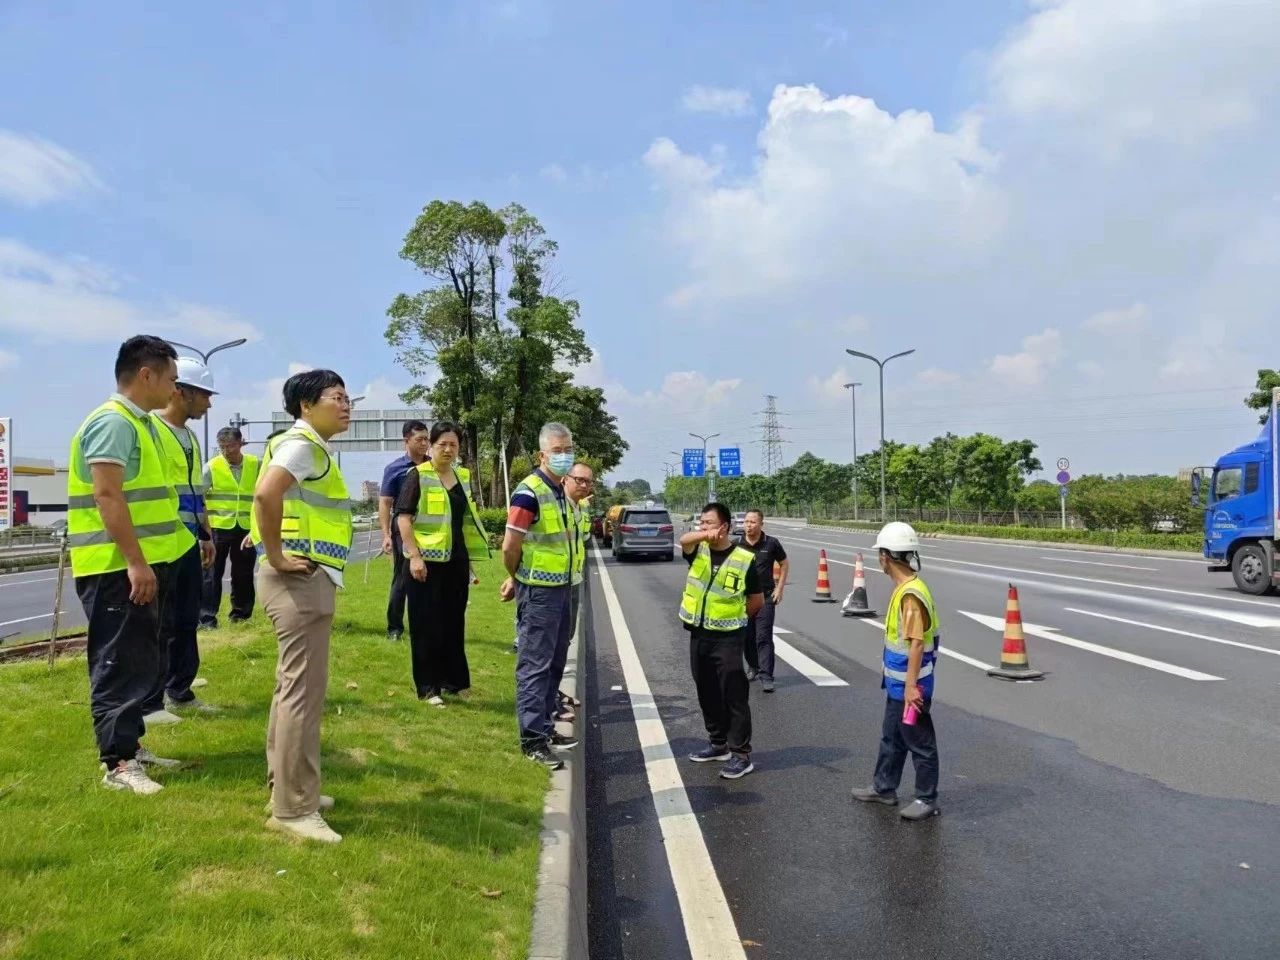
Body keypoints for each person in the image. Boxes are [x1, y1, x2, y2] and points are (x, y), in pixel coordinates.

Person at [67, 335, 185, 795]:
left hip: (143, 565)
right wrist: (136, 563)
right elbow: (107, 495)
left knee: (140, 660)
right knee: (117, 662)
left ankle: (131, 748)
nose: (176, 389)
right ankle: (117, 763)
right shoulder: (113, 422)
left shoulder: (144, 425)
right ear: (146, 375)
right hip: (116, 567)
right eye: (172, 380)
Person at [251, 369, 354, 843]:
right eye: (337, 397)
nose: (347, 404)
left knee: (290, 691)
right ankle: (293, 809)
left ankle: (289, 788)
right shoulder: (304, 445)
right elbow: (266, 493)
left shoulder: (300, 444)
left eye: (348, 397)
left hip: (300, 578)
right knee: (302, 696)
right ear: (306, 405)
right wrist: (274, 553)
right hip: (299, 579)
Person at [851, 521, 942, 821]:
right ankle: (884, 787)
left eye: (880, 554)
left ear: (887, 556)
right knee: (891, 737)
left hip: (911, 687)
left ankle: (927, 798)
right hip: (898, 686)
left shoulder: (910, 595)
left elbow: (916, 643)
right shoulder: (906, 588)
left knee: (920, 742)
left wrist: (912, 687)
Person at [501, 422, 579, 770]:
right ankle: (532, 739)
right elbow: (510, 545)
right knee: (535, 664)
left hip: (563, 588)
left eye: (568, 450)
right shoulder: (528, 492)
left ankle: (546, 728)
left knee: (556, 662)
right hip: (539, 592)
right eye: (557, 451)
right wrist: (517, 578)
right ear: (542, 454)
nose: (564, 456)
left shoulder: (560, 490)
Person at [145, 357, 219, 723]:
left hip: (188, 542)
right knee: (160, 623)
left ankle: (180, 689)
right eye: (204, 394)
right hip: (160, 545)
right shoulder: (151, 431)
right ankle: (151, 700)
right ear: (181, 391)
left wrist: (206, 534)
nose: (209, 402)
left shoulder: (190, 437)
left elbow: (196, 492)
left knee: (187, 619)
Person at [395, 421, 489, 704]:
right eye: (442, 444)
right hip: (425, 564)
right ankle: (428, 688)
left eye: (454, 445)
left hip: (456, 562)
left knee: (453, 622)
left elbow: (462, 521)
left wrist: (470, 561)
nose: (448, 450)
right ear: (430, 446)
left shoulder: (462, 475)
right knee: (426, 625)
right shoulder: (418, 475)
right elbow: (403, 518)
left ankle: (454, 682)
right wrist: (414, 557)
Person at [679, 502, 763, 780]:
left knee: (733, 695)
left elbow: (755, 601)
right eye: (700, 523)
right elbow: (684, 540)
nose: (702, 528)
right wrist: (703, 535)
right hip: (699, 634)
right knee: (706, 690)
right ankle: (718, 744)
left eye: (709, 523)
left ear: (725, 527)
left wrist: (734, 621)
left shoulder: (744, 559)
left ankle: (741, 754)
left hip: (728, 638)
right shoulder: (698, 551)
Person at [200, 426, 260, 627]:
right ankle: (207, 618)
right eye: (222, 447)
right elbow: (198, 496)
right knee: (211, 574)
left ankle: (241, 615)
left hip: (245, 529)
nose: (227, 451)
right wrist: (204, 530)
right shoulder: (211, 467)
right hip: (218, 529)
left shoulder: (255, 464)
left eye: (231, 446)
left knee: (243, 573)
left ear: (240, 442)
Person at [379, 420, 430, 641]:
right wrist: (386, 535)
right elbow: (385, 503)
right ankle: (395, 628)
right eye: (419, 439)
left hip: (429, 529)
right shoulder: (395, 469)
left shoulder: (433, 466)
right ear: (406, 441)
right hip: (402, 528)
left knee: (428, 578)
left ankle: (425, 625)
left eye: (427, 439)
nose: (424, 444)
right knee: (403, 578)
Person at [734, 508, 789, 693]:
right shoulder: (737, 544)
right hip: (744, 599)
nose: (749, 525)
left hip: (765, 597)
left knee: (763, 637)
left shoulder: (771, 543)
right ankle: (753, 667)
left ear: (761, 524)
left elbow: (784, 563)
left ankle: (767, 675)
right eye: (746, 522)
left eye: (753, 522)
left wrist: (779, 588)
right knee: (747, 637)